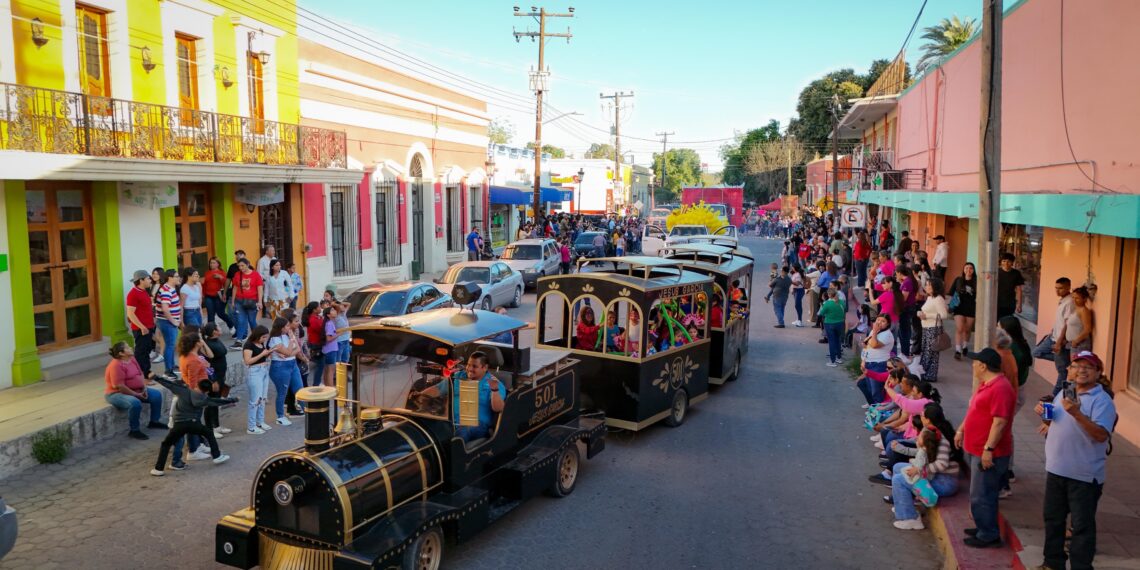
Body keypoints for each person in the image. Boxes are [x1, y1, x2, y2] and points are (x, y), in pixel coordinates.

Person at [1034, 351, 1117, 570]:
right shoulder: (1064, 392)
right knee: (1053, 520)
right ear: (1069, 370)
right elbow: (1057, 424)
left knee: (1081, 527)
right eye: (1076, 366)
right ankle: (1052, 563)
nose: (1081, 370)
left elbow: (1101, 435)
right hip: (1056, 470)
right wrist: (1045, 415)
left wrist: (1078, 414)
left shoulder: (1102, 401)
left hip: (1084, 476)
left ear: (1098, 373)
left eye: (1088, 367)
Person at [955, 348, 1016, 549]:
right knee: (978, 492)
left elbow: (999, 422)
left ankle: (988, 534)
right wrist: (961, 430)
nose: (972, 365)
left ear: (983, 366)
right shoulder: (987, 384)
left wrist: (988, 449)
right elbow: (974, 410)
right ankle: (983, 526)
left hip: (989, 452)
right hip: (975, 447)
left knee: (983, 494)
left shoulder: (1001, 388)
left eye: (975, 362)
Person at [889, 403, 962, 530]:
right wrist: (902, 450)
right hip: (935, 475)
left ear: (928, 419)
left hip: (945, 481)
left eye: (922, 415)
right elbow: (923, 453)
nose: (920, 416)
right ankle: (904, 504)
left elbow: (942, 464)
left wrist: (920, 470)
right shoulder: (930, 431)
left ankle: (910, 518)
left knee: (898, 480)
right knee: (898, 467)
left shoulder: (942, 438)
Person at [149, 375, 236, 476]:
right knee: (209, 433)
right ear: (207, 391)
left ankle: (158, 469)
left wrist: (155, 377)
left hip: (179, 424)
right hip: (194, 423)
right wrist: (233, 400)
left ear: (196, 385)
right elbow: (217, 401)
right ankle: (216, 456)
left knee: (166, 444)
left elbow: (169, 384)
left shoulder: (184, 391)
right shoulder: (205, 399)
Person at [418, 351, 506, 443]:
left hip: (476, 425)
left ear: (485, 367)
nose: (469, 369)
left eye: (474, 366)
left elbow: (498, 408)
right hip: (449, 420)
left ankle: (453, 455)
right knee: (424, 424)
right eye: (468, 365)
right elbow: (437, 389)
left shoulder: (494, 383)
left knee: (464, 430)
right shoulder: (459, 376)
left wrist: (494, 390)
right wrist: (419, 396)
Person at [104, 341, 166, 440]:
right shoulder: (116, 365)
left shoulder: (132, 359)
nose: (131, 348)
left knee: (156, 395)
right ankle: (134, 430)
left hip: (137, 389)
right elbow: (120, 386)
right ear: (121, 353)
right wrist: (136, 394)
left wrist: (143, 388)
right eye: (127, 348)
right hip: (116, 394)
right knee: (135, 403)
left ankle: (154, 422)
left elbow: (140, 373)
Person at [1033, 277, 1075, 394]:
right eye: (1056, 288)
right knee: (1036, 352)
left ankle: (1055, 394)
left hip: (1060, 340)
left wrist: (1059, 341)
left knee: (1062, 371)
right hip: (1053, 336)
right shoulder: (1062, 300)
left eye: (1060, 288)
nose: (1057, 291)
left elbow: (1067, 324)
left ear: (1068, 287)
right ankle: (1063, 362)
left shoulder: (1070, 302)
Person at [267, 317, 304, 426]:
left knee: (300, 389)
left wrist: (290, 347)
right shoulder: (274, 339)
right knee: (282, 392)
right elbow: (288, 351)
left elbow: (297, 349)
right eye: (287, 326)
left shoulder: (286, 336)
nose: (289, 328)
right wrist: (291, 343)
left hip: (292, 364)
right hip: (280, 367)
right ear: (281, 327)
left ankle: (307, 409)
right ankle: (280, 416)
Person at [125, 270, 158, 379]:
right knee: (141, 352)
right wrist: (142, 326)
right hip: (141, 329)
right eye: (148, 278)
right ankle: (142, 375)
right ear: (141, 280)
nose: (150, 280)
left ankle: (145, 373)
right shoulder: (133, 294)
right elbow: (130, 313)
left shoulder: (144, 291)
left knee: (147, 350)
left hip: (149, 327)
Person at [916, 278, 950, 382]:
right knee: (927, 351)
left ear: (935, 287)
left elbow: (944, 315)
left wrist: (927, 315)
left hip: (933, 328)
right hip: (926, 327)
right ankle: (925, 372)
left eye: (929, 285)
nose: (926, 287)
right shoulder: (930, 298)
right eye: (926, 285)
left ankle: (928, 374)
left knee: (931, 351)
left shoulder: (938, 298)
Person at [200, 323, 231, 439]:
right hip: (214, 377)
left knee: (216, 402)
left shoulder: (217, 340)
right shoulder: (207, 345)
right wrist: (213, 380)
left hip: (220, 375)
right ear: (214, 331)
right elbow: (210, 359)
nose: (221, 328)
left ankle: (216, 426)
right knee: (211, 404)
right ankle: (210, 428)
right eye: (218, 327)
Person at [242, 325, 274, 434]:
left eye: (266, 337)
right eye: (263, 337)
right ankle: (251, 427)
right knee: (255, 400)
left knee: (263, 398)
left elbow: (264, 355)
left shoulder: (260, 343)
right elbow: (248, 361)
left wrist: (269, 353)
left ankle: (260, 421)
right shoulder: (248, 345)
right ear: (258, 335)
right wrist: (262, 354)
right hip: (254, 372)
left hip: (264, 370)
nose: (265, 339)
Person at [154, 269, 182, 377]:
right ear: (170, 278)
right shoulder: (166, 290)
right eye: (176, 276)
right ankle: (168, 370)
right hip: (167, 322)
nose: (178, 278)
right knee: (170, 345)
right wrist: (174, 321)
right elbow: (165, 309)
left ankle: (172, 365)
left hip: (168, 322)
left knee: (170, 344)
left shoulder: (170, 288)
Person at [231, 258, 264, 348]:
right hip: (239, 301)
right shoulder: (237, 274)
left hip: (252, 301)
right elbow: (235, 288)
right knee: (241, 320)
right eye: (239, 266)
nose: (241, 268)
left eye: (242, 265)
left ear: (248, 264)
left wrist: (260, 301)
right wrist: (233, 301)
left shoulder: (255, 275)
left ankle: (257, 339)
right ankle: (239, 341)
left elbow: (260, 288)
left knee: (252, 321)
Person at [950, 262, 979, 359]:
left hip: (971, 307)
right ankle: (958, 350)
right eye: (966, 268)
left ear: (973, 270)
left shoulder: (977, 281)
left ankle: (965, 346)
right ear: (963, 270)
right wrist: (948, 305)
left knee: (967, 329)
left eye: (971, 268)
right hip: (959, 307)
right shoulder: (958, 280)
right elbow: (950, 293)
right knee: (960, 328)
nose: (968, 270)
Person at [202, 257, 234, 333]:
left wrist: (221, 277)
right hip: (208, 296)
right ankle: (211, 332)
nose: (211, 264)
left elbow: (227, 284)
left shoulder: (222, 272)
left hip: (218, 296)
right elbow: (204, 284)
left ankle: (231, 325)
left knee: (221, 313)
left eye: (214, 263)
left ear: (218, 264)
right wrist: (203, 294)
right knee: (210, 314)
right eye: (210, 263)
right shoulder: (207, 272)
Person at [819, 289, 845, 366]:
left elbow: (821, 313)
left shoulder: (827, 303)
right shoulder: (841, 302)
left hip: (829, 324)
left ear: (829, 295)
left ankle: (832, 361)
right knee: (838, 340)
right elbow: (845, 310)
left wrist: (822, 306)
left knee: (831, 342)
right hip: (840, 323)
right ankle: (839, 358)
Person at [996, 253, 1024, 319]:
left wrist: (1019, 304)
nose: (1006, 263)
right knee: (995, 323)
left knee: (1006, 324)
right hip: (996, 302)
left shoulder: (1016, 273)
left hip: (1009, 303)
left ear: (1012, 262)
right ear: (1001, 262)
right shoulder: (996, 272)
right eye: (1004, 261)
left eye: (1009, 261)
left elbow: (1019, 289)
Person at [320, 305, 341, 386]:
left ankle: (327, 386)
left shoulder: (329, 323)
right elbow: (328, 338)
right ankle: (331, 388)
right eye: (332, 310)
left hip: (328, 349)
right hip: (331, 349)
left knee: (327, 369)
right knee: (330, 370)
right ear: (328, 315)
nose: (335, 311)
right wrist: (338, 334)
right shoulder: (329, 324)